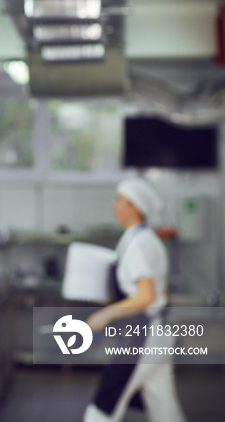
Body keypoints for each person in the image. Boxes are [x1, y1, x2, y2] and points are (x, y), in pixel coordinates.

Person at [84, 178, 186, 422]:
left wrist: (104, 315)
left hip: (142, 338)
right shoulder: (144, 239)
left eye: (119, 199)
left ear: (134, 207)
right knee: (165, 411)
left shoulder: (139, 243)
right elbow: (160, 294)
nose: (113, 205)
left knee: (101, 411)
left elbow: (146, 295)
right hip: (157, 333)